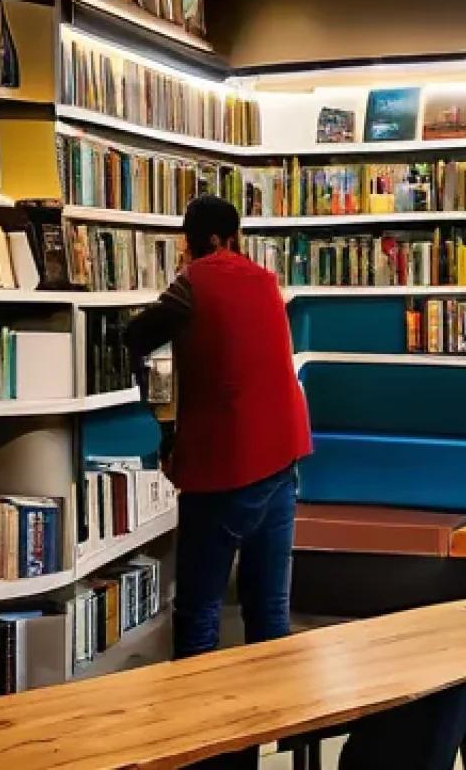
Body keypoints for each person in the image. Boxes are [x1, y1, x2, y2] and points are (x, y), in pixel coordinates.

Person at [125, 195, 312, 664]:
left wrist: (161, 421)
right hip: (282, 462)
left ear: (199, 241)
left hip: (224, 469)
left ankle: (204, 728)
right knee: (269, 613)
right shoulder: (267, 281)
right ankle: (264, 728)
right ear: (233, 237)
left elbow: (136, 335)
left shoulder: (192, 283)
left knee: (199, 614)